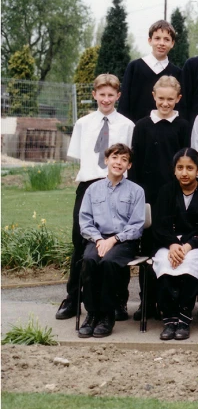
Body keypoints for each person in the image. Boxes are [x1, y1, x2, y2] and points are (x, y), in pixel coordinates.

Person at [56, 74, 135, 322]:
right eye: (102, 94)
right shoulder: (83, 123)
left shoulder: (127, 125)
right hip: (90, 186)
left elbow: (127, 159)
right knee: (81, 244)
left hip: (118, 186)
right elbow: (82, 158)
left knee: (116, 245)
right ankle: (73, 299)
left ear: (118, 96)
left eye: (111, 95)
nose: (106, 99)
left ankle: (119, 300)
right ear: (94, 95)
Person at [129, 75, 191, 321]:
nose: (165, 104)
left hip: (174, 196)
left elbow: (187, 163)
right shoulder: (142, 126)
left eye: (170, 99)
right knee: (148, 250)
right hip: (147, 197)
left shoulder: (183, 126)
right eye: (161, 99)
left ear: (178, 99)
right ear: (154, 97)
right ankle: (147, 303)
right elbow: (135, 165)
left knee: (169, 248)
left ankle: (172, 303)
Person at [77, 143, 145, 338]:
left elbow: (137, 225)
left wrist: (114, 240)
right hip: (97, 239)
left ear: (129, 166)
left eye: (124, 160)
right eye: (115, 157)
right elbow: (85, 221)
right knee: (89, 261)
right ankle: (92, 314)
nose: (119, 163)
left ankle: (107, 315)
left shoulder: (136, 191)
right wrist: (99, 239)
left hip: (124, 241)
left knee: (108, 262)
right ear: (106, 160)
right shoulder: (92, 189)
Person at [151, 148, 198, 341]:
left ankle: (184, 318)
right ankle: (169, 319)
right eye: (180, 167)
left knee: (188, 264)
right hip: (169, 243)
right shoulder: (165, 191)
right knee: (165, 263)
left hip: (195, 244)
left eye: (190, 168)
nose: (184, 172)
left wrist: (187, 246)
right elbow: (159, 224)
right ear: (174, 170)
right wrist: (172, 244)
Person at [118, 20, 181, 123]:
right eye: (157, 38)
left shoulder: (177, 73)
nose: (161, 43)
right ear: (149, 40)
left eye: (166, 39)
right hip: (136, 130)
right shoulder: (134, 67)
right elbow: (124, 103)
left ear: (172, 43)